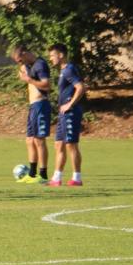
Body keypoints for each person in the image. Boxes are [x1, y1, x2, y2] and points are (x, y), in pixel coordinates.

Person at [47, 43, 86, 187]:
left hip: (71, 112)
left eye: (52, 55)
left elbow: (81, 87)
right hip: (63, 113)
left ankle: (77, 178)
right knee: (58, 144)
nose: (50, 58)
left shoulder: (69, 70)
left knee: (71, 144)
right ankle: (56, 178)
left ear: (61, 55)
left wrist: (71, 104)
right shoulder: (63, 71)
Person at [12, 45, 52, 184]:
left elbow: (46, 85)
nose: (20, 63)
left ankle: (43, 175)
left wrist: (29, 80)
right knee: (29, 140)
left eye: (20, 60)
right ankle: (32, 174)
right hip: (33, 106)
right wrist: (24, 72)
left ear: (25, 53)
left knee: (39, 140)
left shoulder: (40, 65)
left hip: (41, 105)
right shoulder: (30, 65)